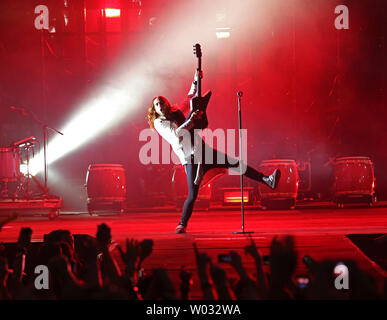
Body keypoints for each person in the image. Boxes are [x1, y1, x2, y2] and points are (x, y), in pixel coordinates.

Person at [147, 71, 281, 234]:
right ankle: (182, 223)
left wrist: (196, 80)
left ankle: (267, 180)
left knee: (235, 163)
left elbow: (190, 99)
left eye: (161, 102)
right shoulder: (160, 123)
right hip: (191, 157)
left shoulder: (175, 112)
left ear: (166, 103)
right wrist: (191, 120)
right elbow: (177, 135)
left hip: (202, 149)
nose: (160, 105)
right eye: (156, 104)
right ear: (154, 109)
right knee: (193, 194)